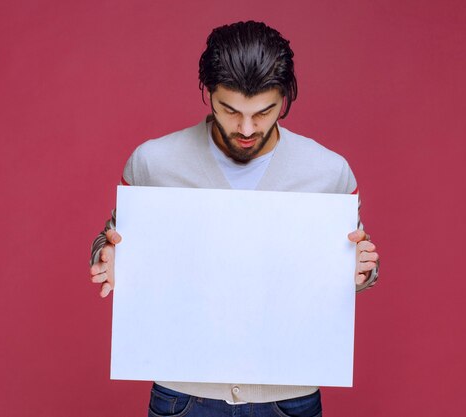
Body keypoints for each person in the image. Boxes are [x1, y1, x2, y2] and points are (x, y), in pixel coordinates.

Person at [89, 20, 379, 417]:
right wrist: (106, 255)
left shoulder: (328, 172)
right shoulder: (153, 162)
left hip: (289, 397)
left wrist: (363, 269)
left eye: (264, 112)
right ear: (208, 93)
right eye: (230, 110)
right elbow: (112, 236)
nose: (246, 128)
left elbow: (354, 260)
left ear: (286, 98)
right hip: (182, 396)